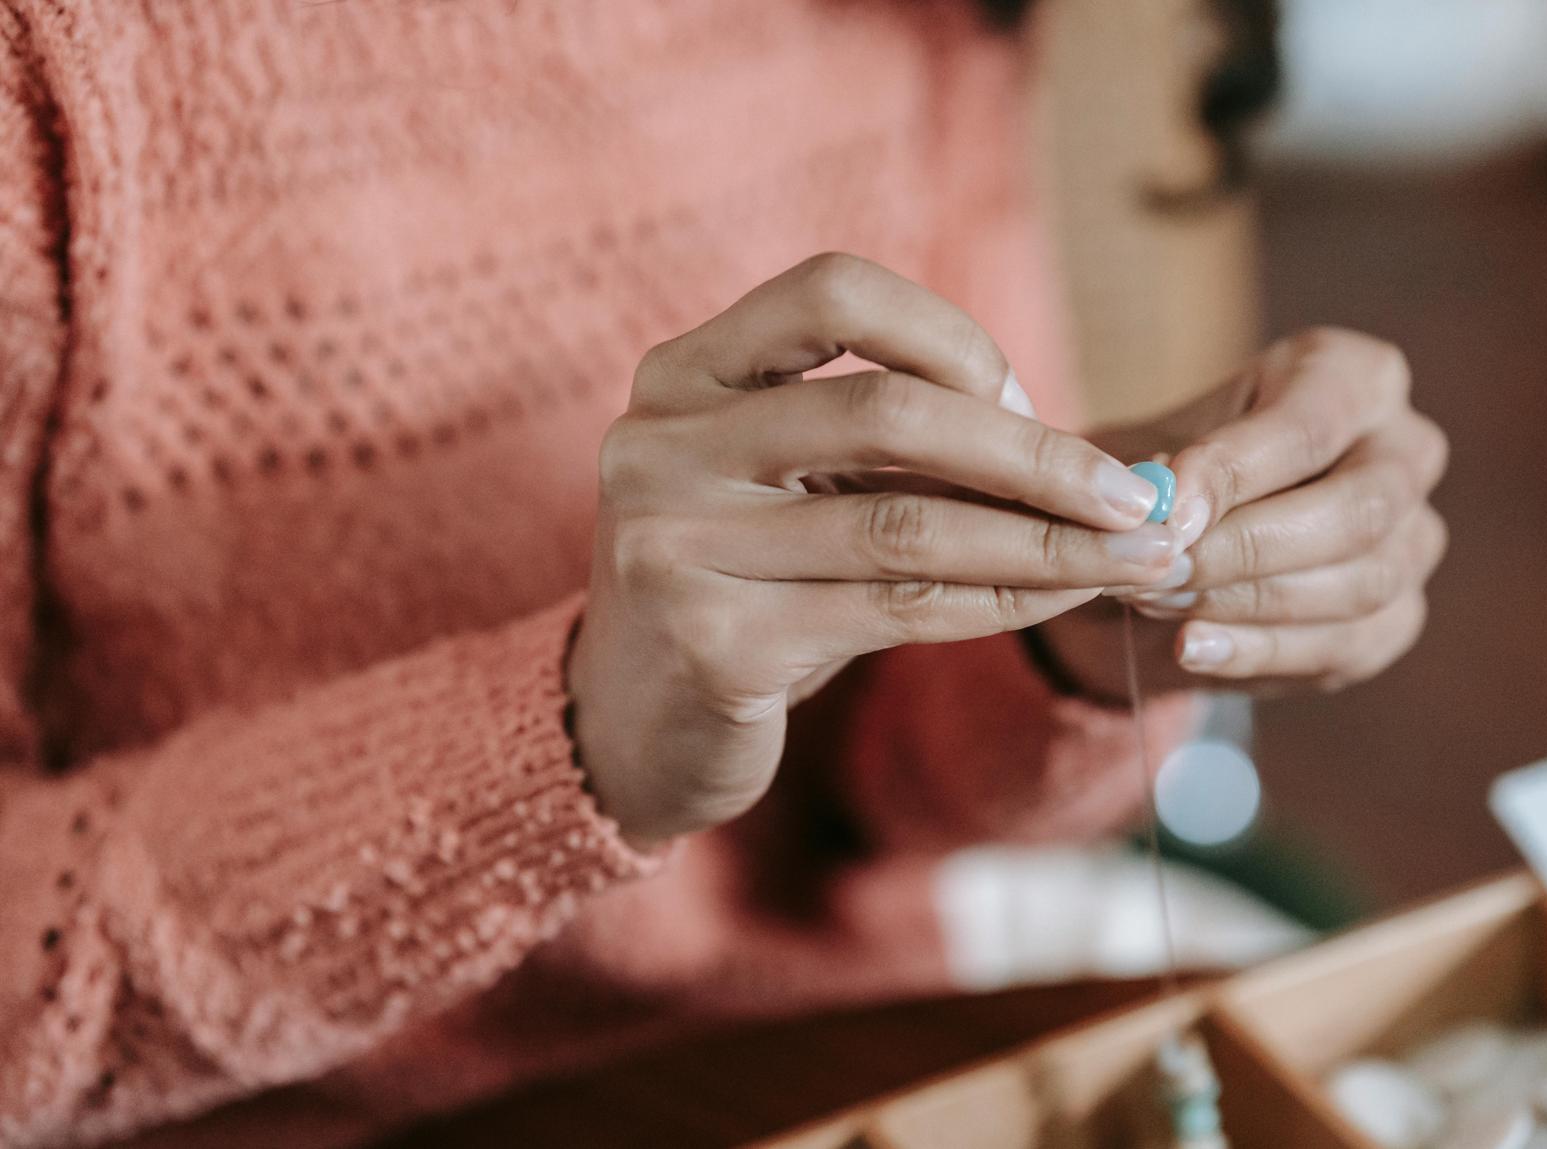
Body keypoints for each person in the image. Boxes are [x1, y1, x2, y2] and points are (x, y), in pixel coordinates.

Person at [0, 2, 1447, 1145]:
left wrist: (1085, 630)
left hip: (846, 1057)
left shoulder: (931, 21)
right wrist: (572, 742)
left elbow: (901, 787)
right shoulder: (60, 67)